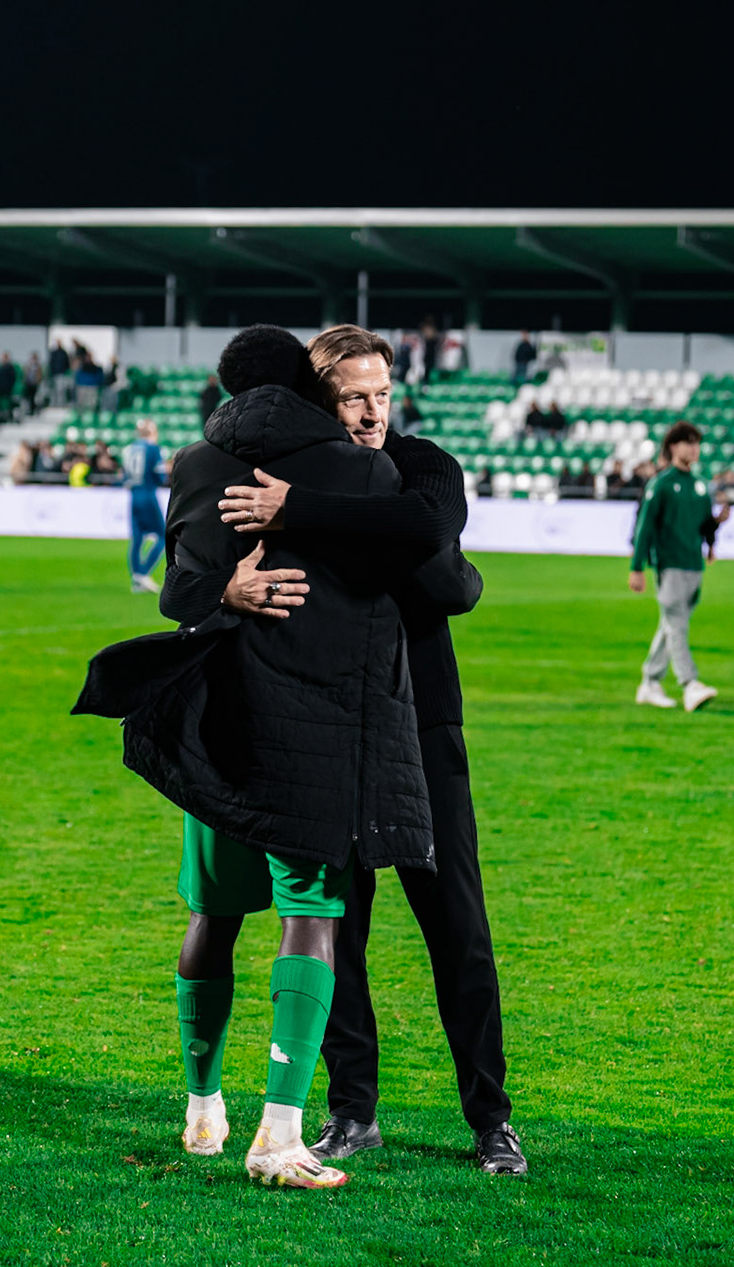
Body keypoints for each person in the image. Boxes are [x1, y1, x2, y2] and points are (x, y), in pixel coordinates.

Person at [74, 324, 432, 1193]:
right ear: (311, 387)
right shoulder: (360, 471)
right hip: (312, 729)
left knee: (213, 913)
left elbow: (178, 594)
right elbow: (434, 569)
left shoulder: (198, 464)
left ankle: (202, 1106)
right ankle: (278, 1134)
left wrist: (227, 589)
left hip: (219, 723)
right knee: (309, 915)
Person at [203, 324, 523, 1177]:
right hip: (334, 724)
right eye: (353, 394)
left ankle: (492, 1120)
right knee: (337, 927)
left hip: (424, 725)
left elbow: (434, 533)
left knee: (457, 924)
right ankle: (353, 1113)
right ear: (321, 397)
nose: (373, 409)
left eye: (381, 392)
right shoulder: (299, 468)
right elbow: (439, 570)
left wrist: (305, 515)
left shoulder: (423, 462)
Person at [630, 422, 730, 712]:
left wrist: (714, 531)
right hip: (670, 563)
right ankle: (690, 684)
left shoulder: (699, 484)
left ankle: (649, 682)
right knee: (677, 623)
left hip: (693, 562)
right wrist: (637, 567)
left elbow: (702, 523)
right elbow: (644, 527)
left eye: (697, 443)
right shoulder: (661, 484)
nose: (694, 448)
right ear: (673, 447)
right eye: (689, 443)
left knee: (671, 624)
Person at [123, 419, 168, 593]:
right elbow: (160, 476)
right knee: (163, 536)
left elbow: (124, 476)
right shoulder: (153, 448)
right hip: (148, 494)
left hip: (134, 494)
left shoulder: (129, 449)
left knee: (137, 537)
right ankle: (143, 574)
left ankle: (136, 578)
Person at [47, 340, 72, 406]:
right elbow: (50, 364)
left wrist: (65, 371)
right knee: (53, 391)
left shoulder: (63, 353)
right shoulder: (53, 353)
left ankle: (61, 404)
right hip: (54, 374)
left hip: (61, 374)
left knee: (60, 391)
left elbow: (67, 363)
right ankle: (53, 404)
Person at [0, 353, 17, 421]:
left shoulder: (10, 368)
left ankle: (9, 416)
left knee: (9, 404)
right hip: (0, 389)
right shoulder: (0, 368)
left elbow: (13, 379)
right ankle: (0, 417)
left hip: (8, 389)